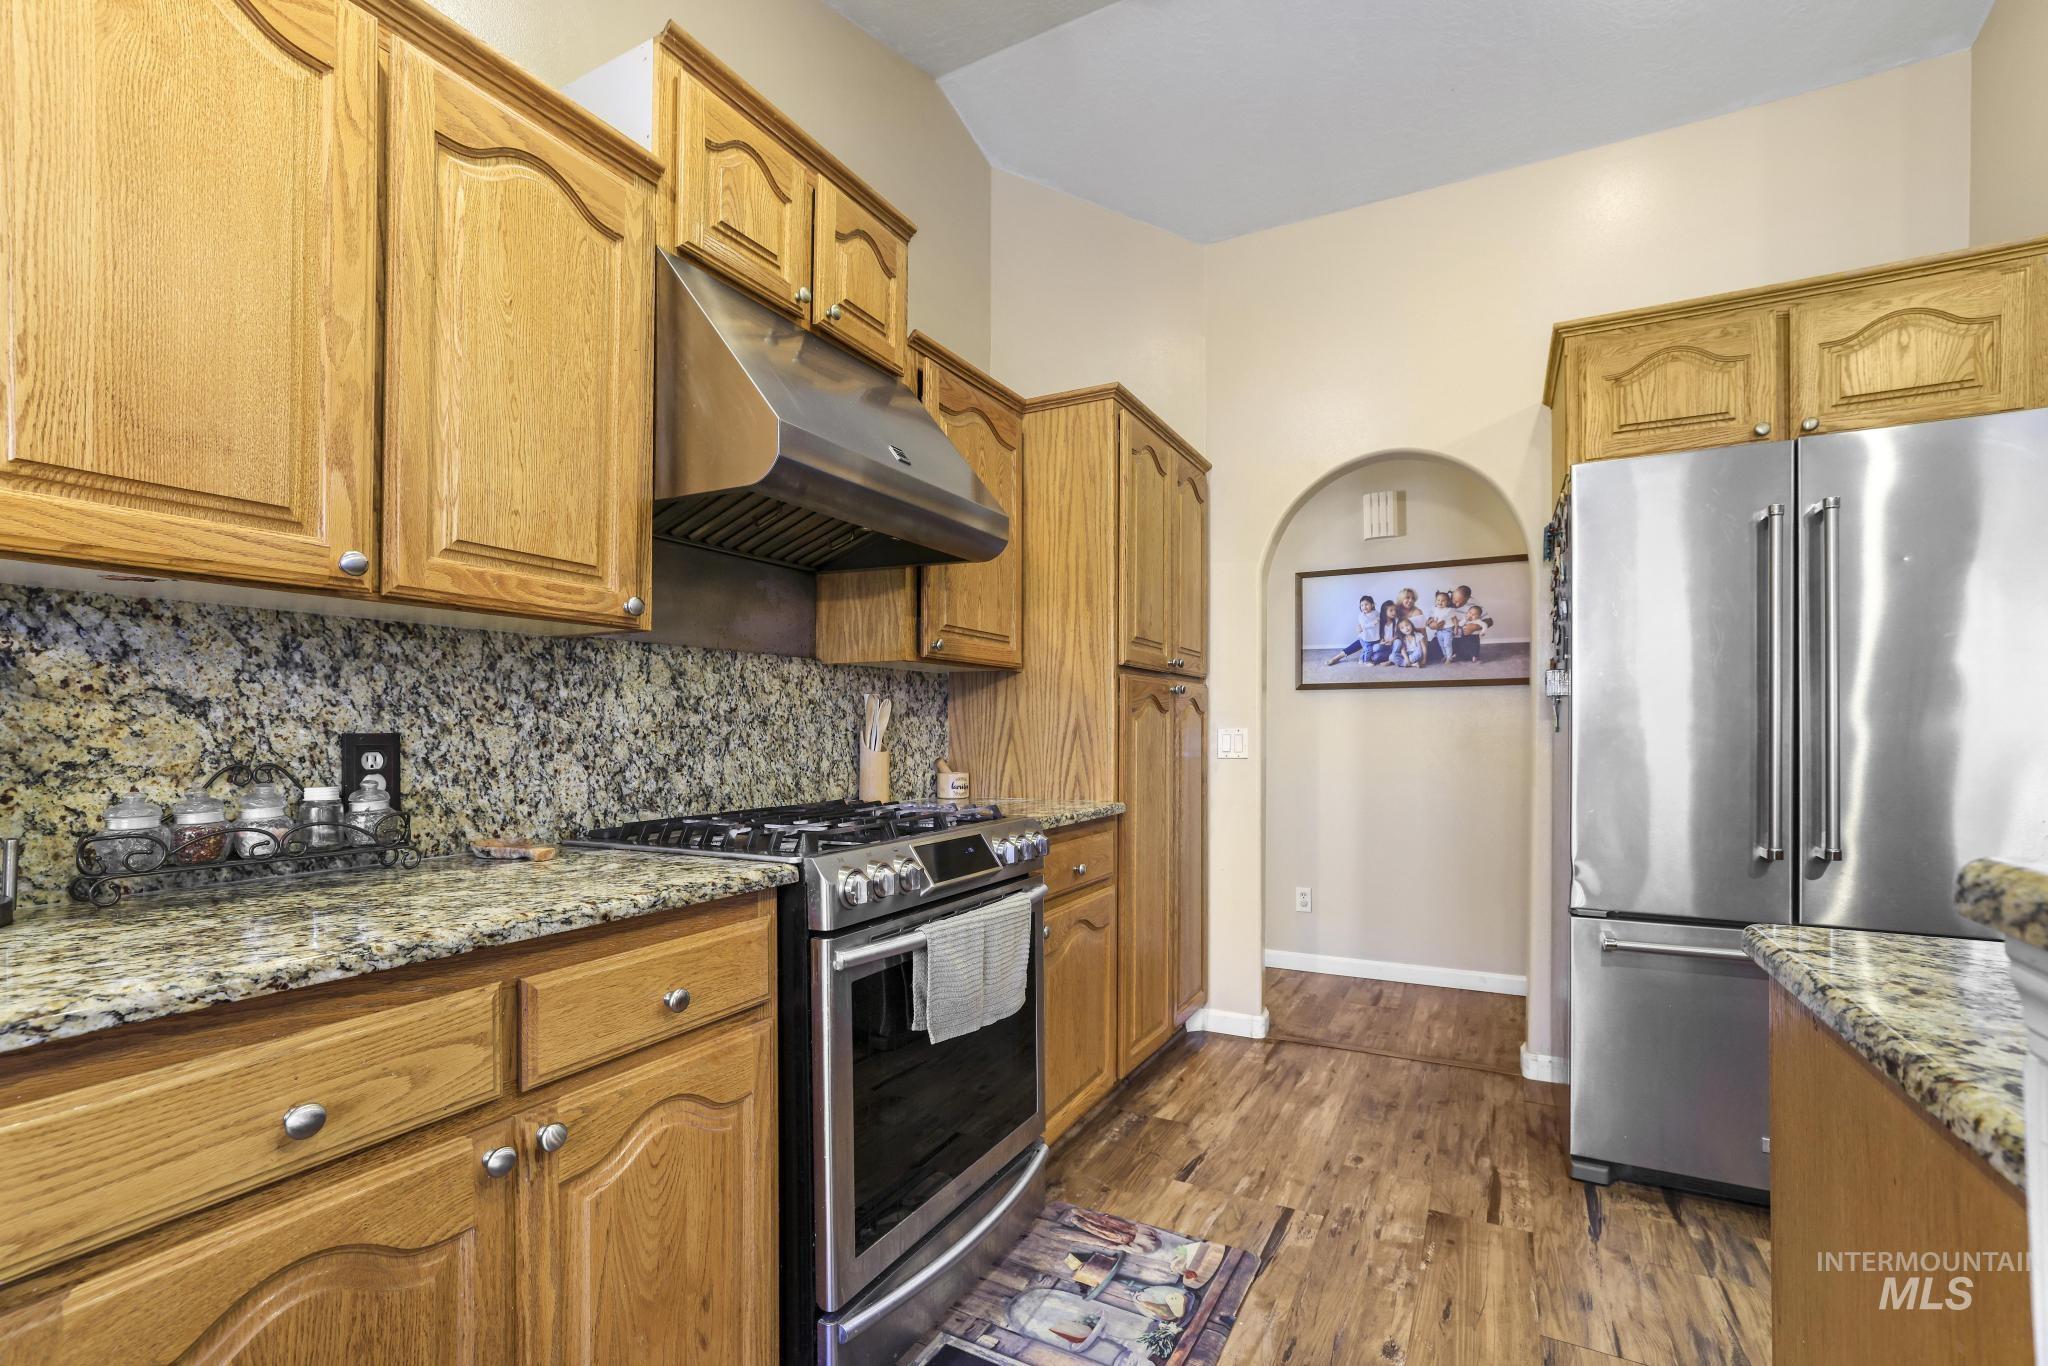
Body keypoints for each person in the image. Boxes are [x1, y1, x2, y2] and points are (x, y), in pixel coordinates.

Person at [1326, 595, 1379, 666]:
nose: (1364, 607)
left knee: (1372, 652)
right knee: (1361, 644)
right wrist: (1370, 624)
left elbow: (1379, 619)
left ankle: (1362, 658)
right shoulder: (1362, 615)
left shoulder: (1376, 613)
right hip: (1366, 637)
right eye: (1362, 605)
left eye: (1366, 604)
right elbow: (1363, 625)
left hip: (1376, 638)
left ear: (1372, 605)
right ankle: (1337, 657)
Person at [1449, 584, 1494, 662]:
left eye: (1462, 602)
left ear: (1468, 599)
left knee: (1467, 655)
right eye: (1455, 601)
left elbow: (1489, 621)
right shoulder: (1444, 598)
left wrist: (1475, 627)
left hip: (1464, 635)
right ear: (1453, 594)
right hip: (1446, 634)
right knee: (1434, 653)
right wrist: (1431, 623)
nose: (1457, 605)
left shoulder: (1474, 603)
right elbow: (1434, 614)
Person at [1425, 590, 1458, 665]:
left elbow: (1454, 619)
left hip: (1448, 630)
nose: (1440, 602)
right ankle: (1445, 655)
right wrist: (1429, 621)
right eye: (1438, 600)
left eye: (1443, 601)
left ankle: (1449, 658)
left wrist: (1456, 628)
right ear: (1435, 601)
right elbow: (1434, 618)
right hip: (1439, 631)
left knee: (1447, 644)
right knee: (1441, 644)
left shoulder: (1449, 610)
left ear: (1447, 602)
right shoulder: (1435, 609)